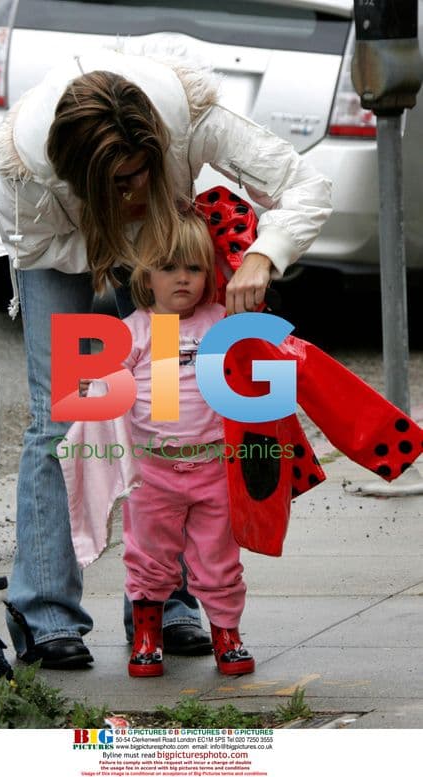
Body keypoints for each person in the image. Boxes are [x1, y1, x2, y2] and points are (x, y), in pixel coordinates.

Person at [0, 45, 332, 669]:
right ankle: (46, 615)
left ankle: (165, 603)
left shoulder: (192, 118)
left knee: (167, 407)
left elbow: (306, 184)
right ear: (84, 177)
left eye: (146, 170)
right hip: (59, 249)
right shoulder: (25, 176)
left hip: (161, 249)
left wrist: (263, 254)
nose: (138, 187)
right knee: (62, 414)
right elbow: (48, 259)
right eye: (123, 182)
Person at [118, 210, 254, 678]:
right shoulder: (136, 331)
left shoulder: (221, 323)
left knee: (219, 558)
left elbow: (257, 365)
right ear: (146, 275)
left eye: (194, 268)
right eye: (170, 267)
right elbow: (98, 394)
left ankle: (227, 635)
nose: (183, 279)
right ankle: (147, 635)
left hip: (214, 468)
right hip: (152, 473)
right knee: (148, 555)